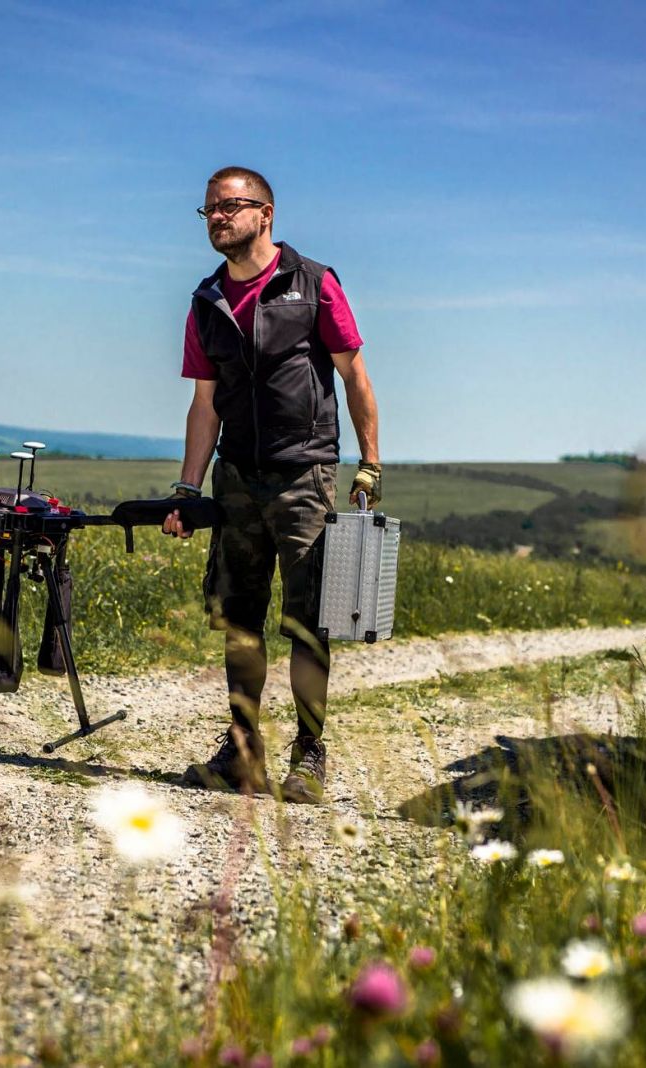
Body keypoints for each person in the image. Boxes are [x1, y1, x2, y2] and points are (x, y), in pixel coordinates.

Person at [164, 166, 381, 803]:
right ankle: (242, 749)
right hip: (236, 477)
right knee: (239, 622)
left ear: (267, 214)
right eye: (208, 210)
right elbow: (205, 404)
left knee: (307, 622)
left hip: (305, 474)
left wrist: (368, 462)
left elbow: (355, 377)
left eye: (230, 206)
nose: (218, 218)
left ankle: (309, 753)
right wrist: (187, 487)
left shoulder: (314, 284)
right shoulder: (205, 302)